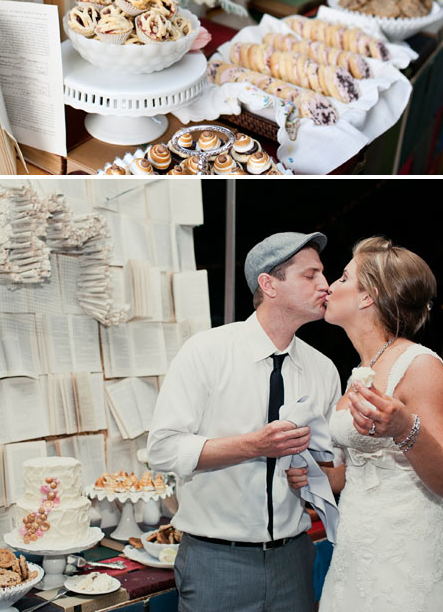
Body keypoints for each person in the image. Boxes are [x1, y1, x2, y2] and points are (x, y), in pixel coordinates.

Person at [147, 231, 342, 612]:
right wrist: (254, 446)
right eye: (310, 275)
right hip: (216, 563)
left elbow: (333, 466)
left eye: (324, 274)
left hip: (295, 558)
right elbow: (162, 449)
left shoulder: (323, 369)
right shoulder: (206, 351)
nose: (325, 285)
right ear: (269, 284)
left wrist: (316, 474)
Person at [292, 236, 443, 612]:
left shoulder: (420, 366)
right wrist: (311, 474)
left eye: (342, 277)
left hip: (406, 557)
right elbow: (355, 472)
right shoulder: (361, 372)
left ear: (366, 297)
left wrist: (405, 430)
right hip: (357, 551)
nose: (329, 286)